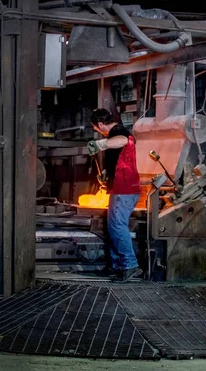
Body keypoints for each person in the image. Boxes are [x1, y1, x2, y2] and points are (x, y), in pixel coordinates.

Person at [87, 108, 142, 282]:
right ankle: (119, 266)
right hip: (120, 187)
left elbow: (123, 140)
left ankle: (130, 265)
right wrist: (106, 173)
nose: (98, 131)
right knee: (113, 227)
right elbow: (120, 156)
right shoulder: (115, 133)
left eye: (96, 129)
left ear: (101, 124)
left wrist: (100, 144)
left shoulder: (119, 132)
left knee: (117, 225)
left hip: (125, 189)